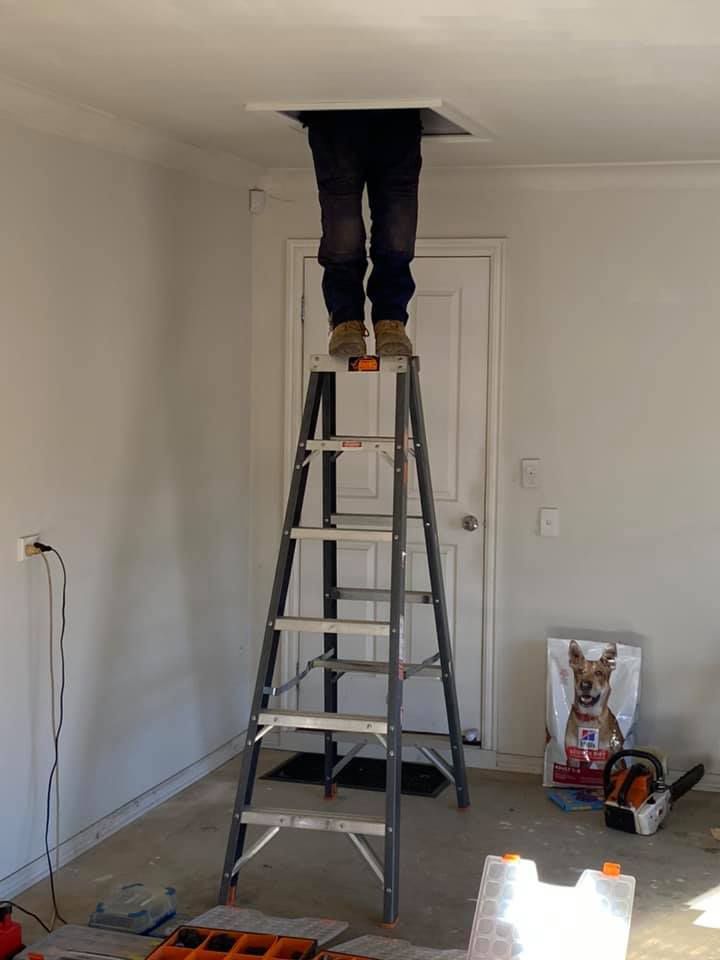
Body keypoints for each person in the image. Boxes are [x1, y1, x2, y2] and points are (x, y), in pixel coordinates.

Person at [302, 109, 422, 357]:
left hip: (392, 117)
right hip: (337, 115)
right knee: (343, 230)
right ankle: (347, 322)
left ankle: (390, 321)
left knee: (397, 228)